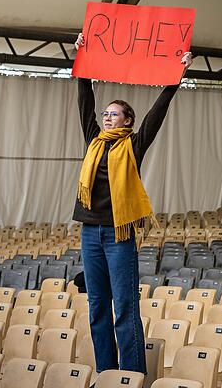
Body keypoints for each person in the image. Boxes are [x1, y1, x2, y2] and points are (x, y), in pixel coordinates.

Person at [72, 32, 192, 375]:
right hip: (90, 233)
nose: (108, 118)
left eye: (115, 114)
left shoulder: (134, 145)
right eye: (106, 114)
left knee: (124, 308)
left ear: (128, 120)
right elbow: (84, 100)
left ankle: (131, 376)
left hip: (118, 235)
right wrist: (81, 60)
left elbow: (159, 111)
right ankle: (107, 374)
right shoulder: (94, 141)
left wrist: (176, 77)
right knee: (97, 308)